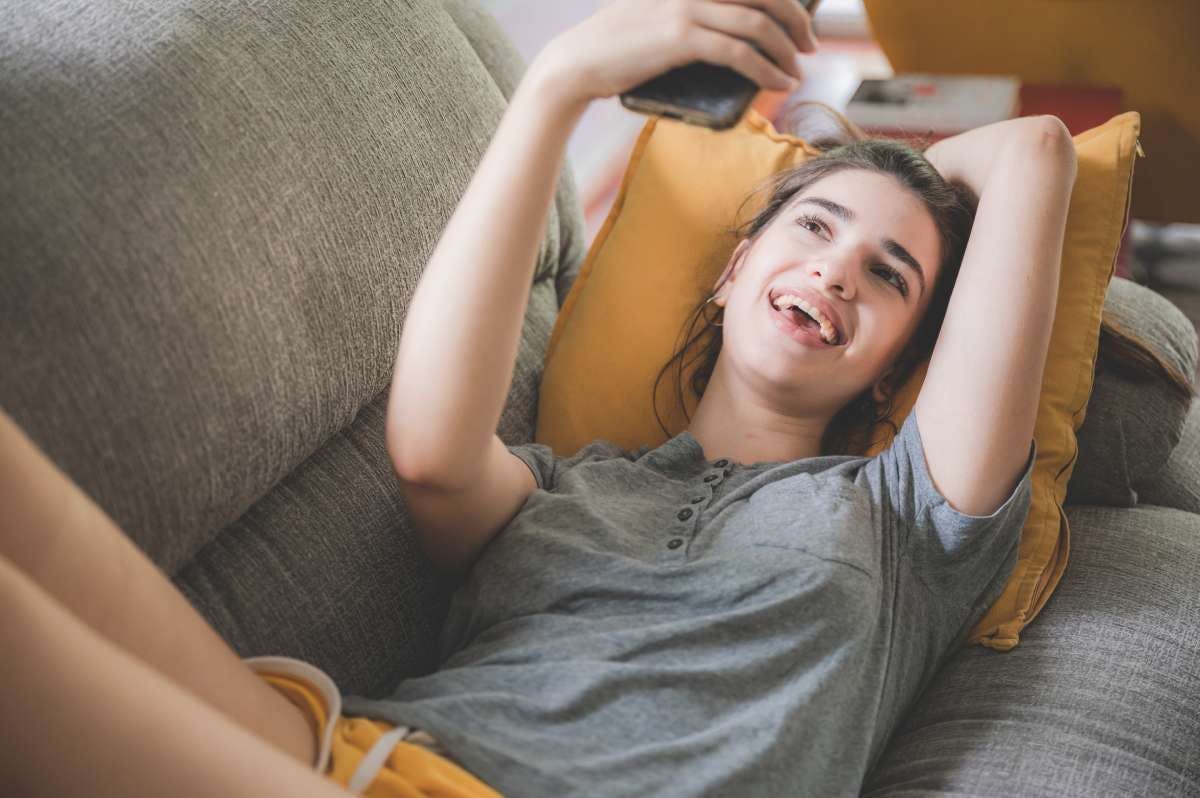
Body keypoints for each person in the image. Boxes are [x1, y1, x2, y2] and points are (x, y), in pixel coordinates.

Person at [0, 0, 1077, 795]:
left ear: (896, 366)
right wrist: (559, 81)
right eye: (812, 227)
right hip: (328, 746)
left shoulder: (910, 520)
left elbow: (1034, 152)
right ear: (731, 270)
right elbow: (430, 452)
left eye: (891, 276)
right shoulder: (567, 487)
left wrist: (882, 158)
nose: (839, 272)